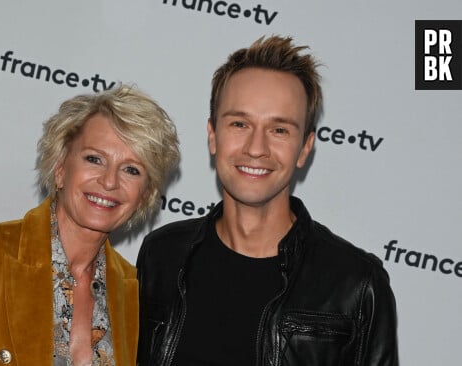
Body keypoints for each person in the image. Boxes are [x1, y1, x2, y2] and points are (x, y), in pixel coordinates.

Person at [136, 36, 399, 365]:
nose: (256, 148)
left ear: (305, 147)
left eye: (279, 130)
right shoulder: (162, 255)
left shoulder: (357, 285)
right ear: (212, 135)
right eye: (239, 123)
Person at [0, 84, 180, 366]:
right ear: (60, 169)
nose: (110, 181)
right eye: (94, 159)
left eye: (131, 170)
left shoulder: (132, 289)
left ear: (144, 194)